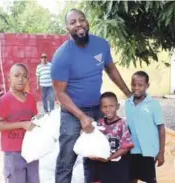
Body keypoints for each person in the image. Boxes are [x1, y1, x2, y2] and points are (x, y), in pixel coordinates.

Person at [51, 9, 132, 183]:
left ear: (87, 22)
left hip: (97, 107)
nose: (78, 24)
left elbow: (111, 69)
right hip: (72, 112)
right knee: (67, 158)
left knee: (95, 155)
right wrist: (81, 117)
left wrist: (127, 93)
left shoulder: (101, 44)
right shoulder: (62, 56)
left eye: (81, 20)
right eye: (73, 22)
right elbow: (59, 93)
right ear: (67, 28)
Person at [0, 63, 40, 183]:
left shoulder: (31, 99)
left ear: (28, 79)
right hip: (13, 153)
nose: (21, 79)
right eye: (17, 75)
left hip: (31, 151)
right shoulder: (5, 100)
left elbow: (34, 120)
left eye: (24, 76)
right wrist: (22, 124)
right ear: (9, 78)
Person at [125, 71, 165, 183]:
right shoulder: (128, 103)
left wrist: (161, 152)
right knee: (131, 178)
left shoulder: (153, 104)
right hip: (132, 150)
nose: (136, 88)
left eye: (140, 85)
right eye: (133, 85)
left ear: (147, 86)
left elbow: (161, 128)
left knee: (150, 179)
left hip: (148, 151)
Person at [88, 92, 134, 183]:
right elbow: (92, 141)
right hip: (101, 167)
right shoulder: (99, 123)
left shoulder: (122, 124)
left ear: (117, 106)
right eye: (105, 107)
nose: (108, 109)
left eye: (111, 106)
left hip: (118, 167)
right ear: (101, 108)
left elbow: (125, 148)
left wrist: (110, 158)